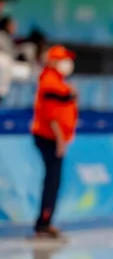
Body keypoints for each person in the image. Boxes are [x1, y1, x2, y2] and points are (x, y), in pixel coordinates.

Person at [30, 45, 77, 240]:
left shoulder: (56, 81)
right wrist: (60, 140)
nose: (68, 63)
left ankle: (45, 222)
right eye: (64, 59)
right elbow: (52, 116)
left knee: (53, 181)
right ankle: (44, 223)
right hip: (50, 138)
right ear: (54, 61)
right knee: (52, 181)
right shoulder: (50, 82)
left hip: (54, 138)